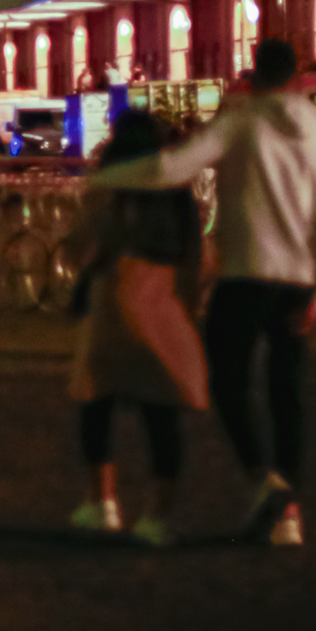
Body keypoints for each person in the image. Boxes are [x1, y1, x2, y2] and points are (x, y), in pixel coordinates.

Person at [88, 38, 316, 548]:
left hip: (247, 274)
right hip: (297, 283)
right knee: (287, 397)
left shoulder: (241, 121)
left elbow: (172, 168)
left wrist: (106, 177)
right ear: (298, 80)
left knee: (228, 383)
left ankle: (262, 478)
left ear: (254, 77)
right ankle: (289, 516)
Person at [65, 111, 208, 547]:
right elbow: (198, 256)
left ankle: (102, 502)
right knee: (161, 412)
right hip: (162, 297)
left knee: (96, 400)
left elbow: (82, 246)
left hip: (114, 293)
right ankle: (158, 516)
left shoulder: (109, 185)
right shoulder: (177, 191)